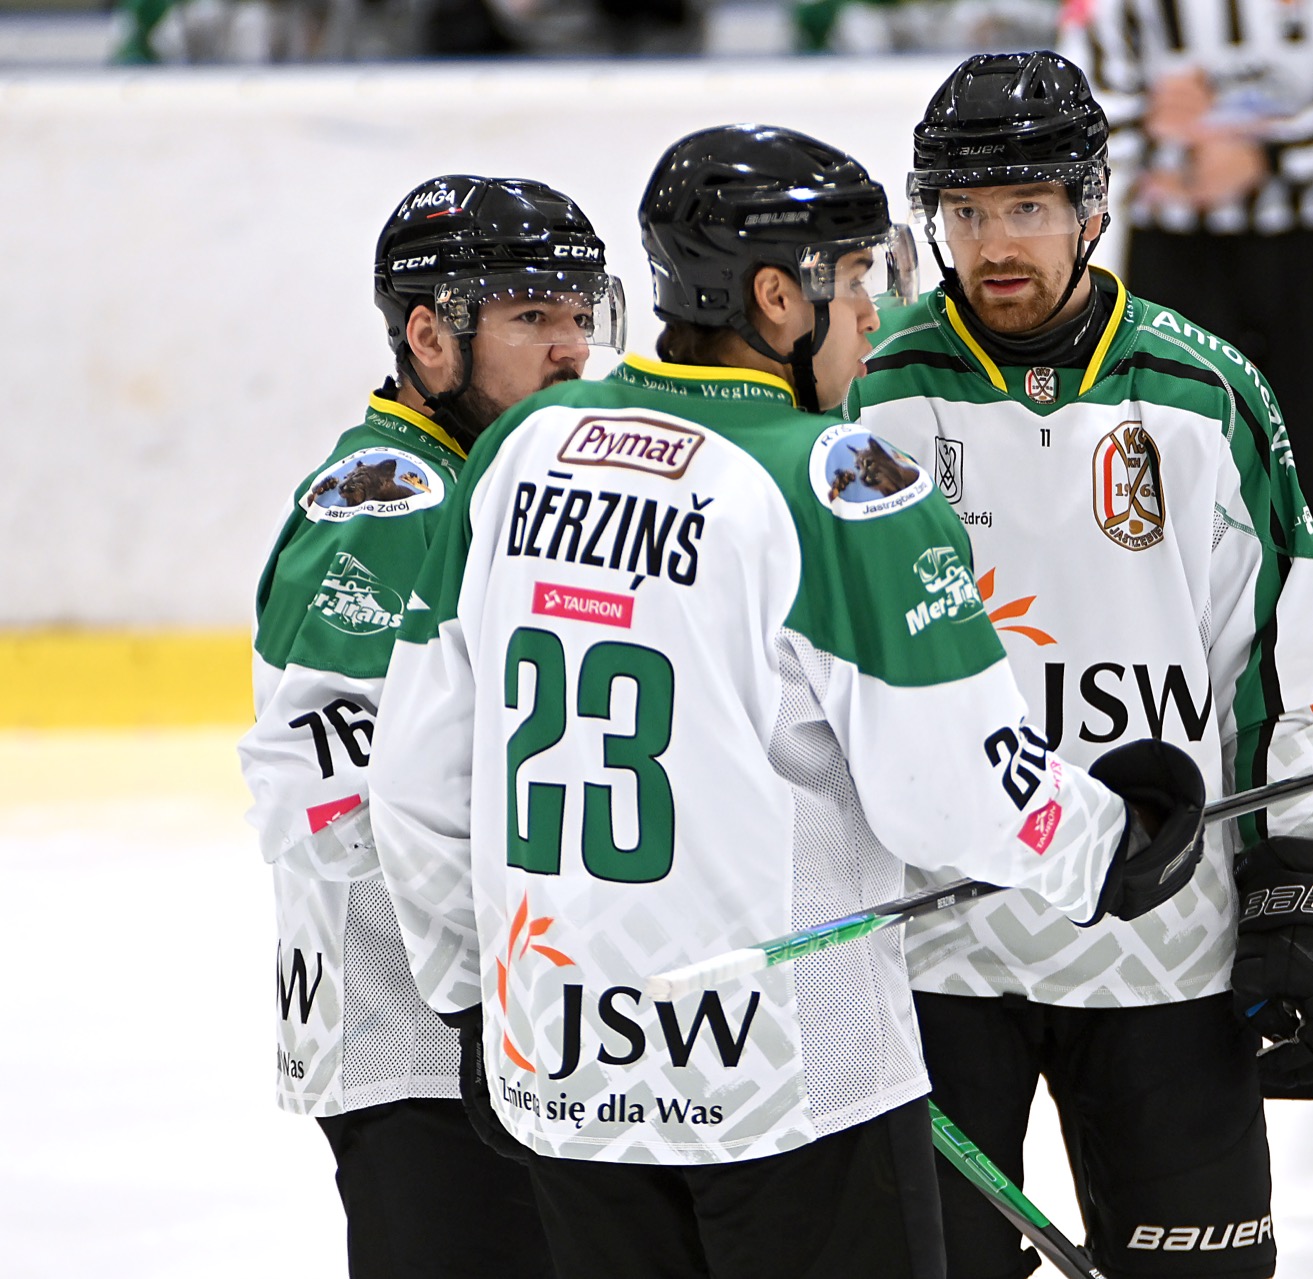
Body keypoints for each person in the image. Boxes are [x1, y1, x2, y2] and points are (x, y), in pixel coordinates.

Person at [366, 123, 1209, 1279]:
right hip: (789, 1085)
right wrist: (1110, 843)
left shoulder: (519, 453)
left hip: (562, 1067)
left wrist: (477, 1003)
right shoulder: (838, 485)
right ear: (775, 298)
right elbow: (951, 791)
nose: (871, 314)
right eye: (853, 281)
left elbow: (417, 780)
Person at [841, 51, 1313, 1279]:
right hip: (934, 947)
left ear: (1091, 206)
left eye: (1027, 206)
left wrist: (1303, 880)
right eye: (967, 212)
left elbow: (1278, 665)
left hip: (1162, 938)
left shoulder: (1204, 395)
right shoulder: (868, 397)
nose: (995, 245)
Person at [236, 173, 626, 1278]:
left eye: (579, 314)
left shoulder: (493, 480)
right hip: (413, 1040)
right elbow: (316, 783)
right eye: (531, 316)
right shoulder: (391, 500)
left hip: (496, 1018)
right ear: (429, 336)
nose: (569, 348)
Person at [1059, 0, 1313, 853]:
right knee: (1161, 515)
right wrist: (1180, 139)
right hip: (1178, 260)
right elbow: (1079, 109)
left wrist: (1259, 152)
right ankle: (1169, 760)